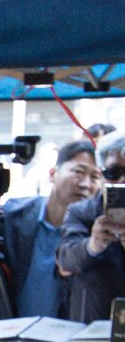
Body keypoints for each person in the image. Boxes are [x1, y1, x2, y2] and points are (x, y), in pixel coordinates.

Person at [0, 139, 103, 320]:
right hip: (8, 334)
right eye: (78, 172)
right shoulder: (16, 214)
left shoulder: (97, 233)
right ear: (53, 173)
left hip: (68, 339)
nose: (86, 184)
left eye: (95, 177)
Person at [59, 129, 125, 323]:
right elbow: (65, 259)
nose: (122, 180)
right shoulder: (81, 212)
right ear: (102, 173)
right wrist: (93, 245)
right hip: (92, 329)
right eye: (114, 173)